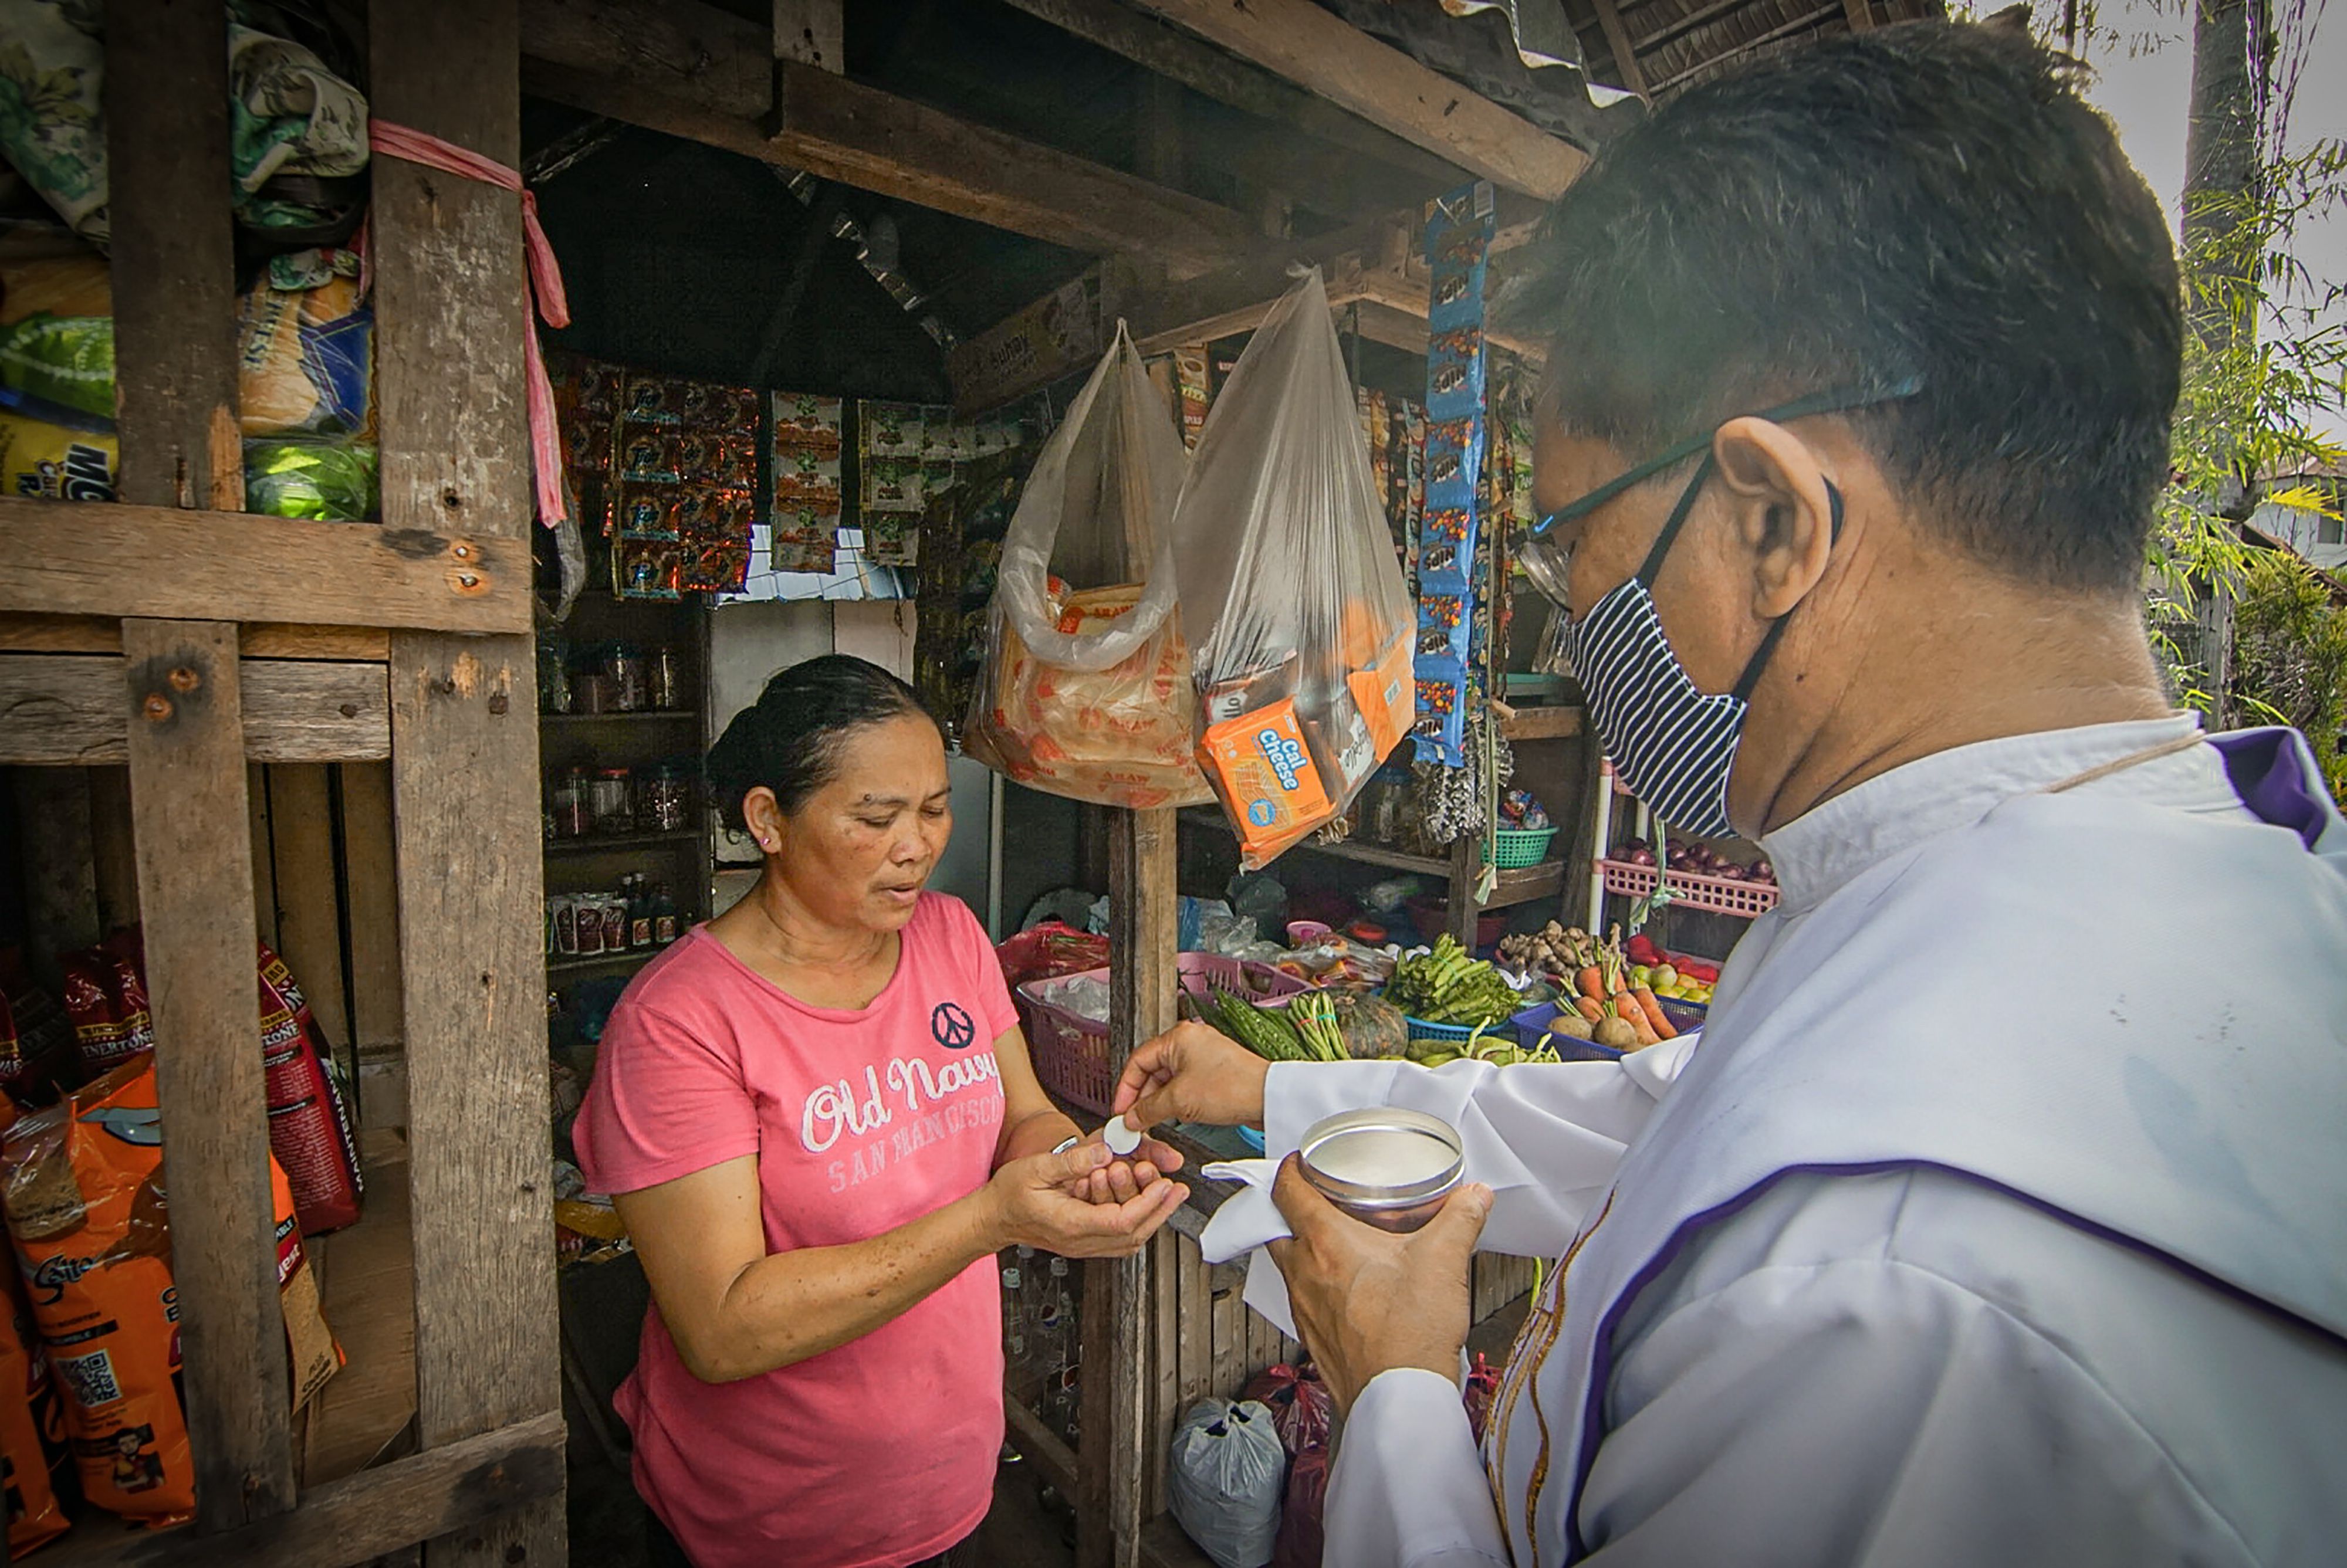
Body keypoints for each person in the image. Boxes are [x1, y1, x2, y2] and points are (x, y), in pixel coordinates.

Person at [1114, 23, 2347, 1567]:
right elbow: (1671, 1119)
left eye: (1573, 544)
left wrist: (1401, 1395)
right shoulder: (2187, 880)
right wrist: (1284, 1091)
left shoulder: (1886, 1291)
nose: (1571, 611)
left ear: (1770, 519)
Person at [574, 655, 1186, 1568]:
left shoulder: (948, 938)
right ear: (767, 821)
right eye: (876, 817)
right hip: (770, 1525)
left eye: (935, 808)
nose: (919, 844)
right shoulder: (680, 1022)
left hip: (948, 1484)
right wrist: (994, 1218)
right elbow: (723, 1325)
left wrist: (1076, 1161)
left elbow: (1020, 1115)